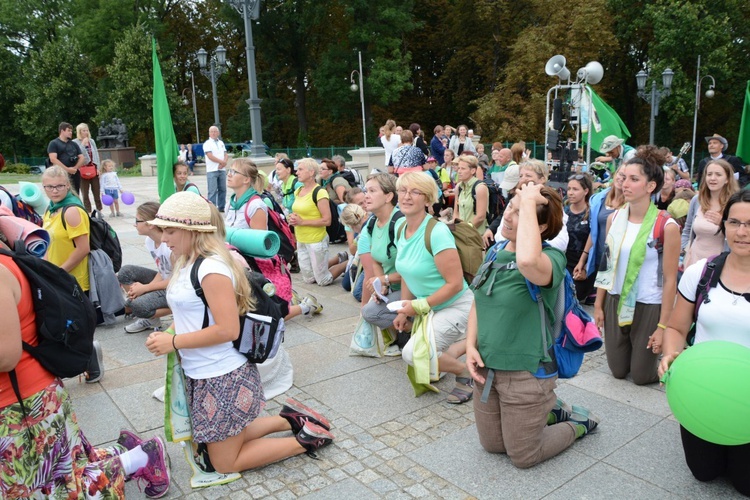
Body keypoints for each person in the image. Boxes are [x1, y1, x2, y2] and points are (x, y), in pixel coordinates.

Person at [145, 191, 334, 474]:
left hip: (221, 374)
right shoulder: (184, 260)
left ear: (193, 230)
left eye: (170, 231)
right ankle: (291, 418)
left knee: (223, 462)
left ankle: (306, 439)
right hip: (203, 370)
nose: (163, 238)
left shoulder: (211, 268)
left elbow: (228, 328)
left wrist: (173, 341)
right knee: (216, 440)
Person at [0, 234, 172, 497]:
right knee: (64, 467)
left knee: (50, 487)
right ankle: (130, 453)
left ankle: (140, 458)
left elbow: (6, 354)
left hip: (21, 401)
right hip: (32, 393)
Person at [466, 183, 599, 469]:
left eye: (520, 212)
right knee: (493, 446)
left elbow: (526, 260)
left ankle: (577, 424)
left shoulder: (550, 259)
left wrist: (528, 201)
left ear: (539, 228)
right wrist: (469, 346)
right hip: (487, 370)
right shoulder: (495, 252)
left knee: (523, 456)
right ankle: (548, 413)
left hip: (526, 374)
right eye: (510, 207)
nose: (508, 216)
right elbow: (478, 301)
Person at [658, 190, 750, 496]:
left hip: (746, 399)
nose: (742, 231)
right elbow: (677, 327)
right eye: (734, 222)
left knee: (745, 484)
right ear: (724, 226)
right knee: (704, 472)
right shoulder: (702, 272)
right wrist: (672, 354)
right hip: (705, 392)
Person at [594, 146, 681, 385]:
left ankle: (661, 361)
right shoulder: (615, 218)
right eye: (624, 178)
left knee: (642, 377)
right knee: (618, 371)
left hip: (648, 303)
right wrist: (599, 305)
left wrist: (663, 326)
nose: (625, 184)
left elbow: (670, 279)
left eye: (634, 179)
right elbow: (607, 264)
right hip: (616, 299)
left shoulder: (667, 225)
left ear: (651, 186)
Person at [393, 172, 475, 404]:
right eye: (403, 190)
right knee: (428, 360)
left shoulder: (437, 232)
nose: (407, 197)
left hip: (457, 305)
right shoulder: (400, 226)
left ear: (428, 200)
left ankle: (466, 373)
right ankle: (467, 345)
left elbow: (455, 283)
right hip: (430, 307)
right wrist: (402, 309)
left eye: (415, 192)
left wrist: (418, 306)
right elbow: (408, 273)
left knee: (411, 354)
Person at [41, 166, 103, 382]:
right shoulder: (51, 209)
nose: (54, 190)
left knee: (75, 326)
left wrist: (59, 272)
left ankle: (92, 361)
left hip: (73, 279)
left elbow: (82, 248)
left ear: (67, 185)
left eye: (59, 186)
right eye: (49, 186)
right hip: (55, 277)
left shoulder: (72, 211)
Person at [359, 173, 408, 353]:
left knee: (371, 312)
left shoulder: (400, 222)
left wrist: (385, 280)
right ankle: (404, 334)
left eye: (372, 191)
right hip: (395, 284)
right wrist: (381, 283)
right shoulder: (372, 222)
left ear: (388, 196)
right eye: (366, 191)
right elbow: (376, 259)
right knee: (370, 310)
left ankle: (416, 332)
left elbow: (411, 270)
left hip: (414, 286)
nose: (366, 195)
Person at [573, 166, 627, 304]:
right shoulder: (599, 199)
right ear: (615, 175)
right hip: (598, 258)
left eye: (627, 177)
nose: (621, 178)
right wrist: (582, 260)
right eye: (620, 174)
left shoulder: (631, 203)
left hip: (619, 262)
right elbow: (594, 231)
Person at [118, 202, 173, 333]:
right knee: (125, 273)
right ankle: (152, 320)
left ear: (151, 224)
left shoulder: (170, 245)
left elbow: (179, 279)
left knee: (137, 306)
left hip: (176, 286)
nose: (134, 224)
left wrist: (146, 288)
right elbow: (162, 270)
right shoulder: (150, 241)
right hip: (165, 282)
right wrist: (142, 290)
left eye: (138, 221)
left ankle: (181, 310)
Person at [682, 159, 738, 268]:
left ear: (727, 179)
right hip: (693, 262)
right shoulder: (697, 200)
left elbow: (740, 236)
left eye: (718, 174)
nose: (712, 178)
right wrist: (684, 250)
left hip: (720, 265)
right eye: (709, 174)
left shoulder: (735, 204)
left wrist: (723, 224)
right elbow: (687, 229)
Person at [288, 158, 334, 286]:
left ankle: (341, 263)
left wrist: (302, 222)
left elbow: (327, 220)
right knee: (308, 279)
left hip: (316, 240)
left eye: (301, 169)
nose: (297, 173)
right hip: (301, 239)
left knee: (323, 281)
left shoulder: (320, 192)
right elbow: (299, 212)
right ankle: (323, 266)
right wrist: (292, 218)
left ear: (311, 172)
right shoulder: (298, 191)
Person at [565, 174, 596, 300]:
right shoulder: (563, 211)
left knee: (573, 295)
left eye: (575, 189)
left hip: (583, 263)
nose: (571, 193)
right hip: (564, 261)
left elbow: (594, 240)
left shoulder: (592, 212)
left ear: (586, 191)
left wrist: (585, 267)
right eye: (569, 189)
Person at [454, 154, 488, 235]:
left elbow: (480, 217)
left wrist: (465, 230)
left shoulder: (480, 188)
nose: (459, 171)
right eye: (458, 168)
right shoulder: (458, 187)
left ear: (473, 171)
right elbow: (456, 212)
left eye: (463, 168)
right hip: (461, 234)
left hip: (476, 235)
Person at [47, 122, 84, 195]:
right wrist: (67, 169)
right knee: (61, 193)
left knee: (75, 193)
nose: (70, 133)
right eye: (68, 130)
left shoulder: (74, 144)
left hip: (74, 174)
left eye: (71, 131)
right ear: (62, 131)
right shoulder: (54, 143)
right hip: (60, 174)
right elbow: (53, 159)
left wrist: (75, 168)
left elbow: (82, 157)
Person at [73, 123, 102, 213]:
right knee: (85, 193)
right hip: (83, 170)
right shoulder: (75, 142)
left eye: (87, 130)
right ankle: (88, 211)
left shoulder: (91, 141)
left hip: (93, 168)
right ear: (79, 132)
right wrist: (83, 144)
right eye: (83, 130)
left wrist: (98, 168)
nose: (85, 132)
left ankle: (99, 210)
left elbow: (96, 154)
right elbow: (78, 154)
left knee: (96, 191)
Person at [203, 125, 228, 211]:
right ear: (209, 133)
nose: (213, 133)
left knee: (223, 189)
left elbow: (225, 154)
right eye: (211, 131)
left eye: (215, 131)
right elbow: (210, 156)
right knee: (212, 191)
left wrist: (224, 162)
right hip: (212, 170)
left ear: (218, 133)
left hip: (222, 169)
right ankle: (212, 209)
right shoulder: (207, 144)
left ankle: (222, 207)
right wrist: (221, 162)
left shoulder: (221, 143)